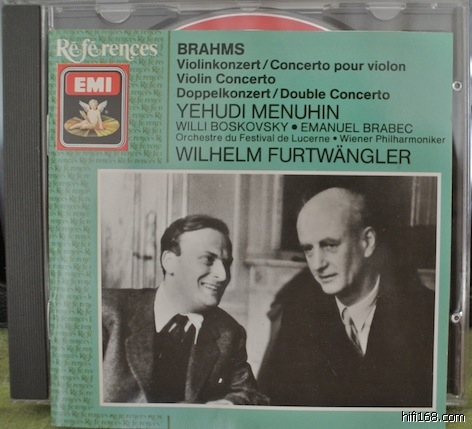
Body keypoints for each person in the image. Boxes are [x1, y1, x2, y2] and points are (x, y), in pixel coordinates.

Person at [258, 187, 435, 407]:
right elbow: (276, 404)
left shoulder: (429, 315)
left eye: (330, 245)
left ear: (367, 242)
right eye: (308, 249)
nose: (317, 264)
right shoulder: (298, 315)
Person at [102, 214, 267, 405]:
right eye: (208, 259)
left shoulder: (229, 332)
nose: (223, 275)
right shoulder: (107, 312)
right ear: (169, 261)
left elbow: (251, 396)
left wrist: (223, 406)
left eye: (227, 264)